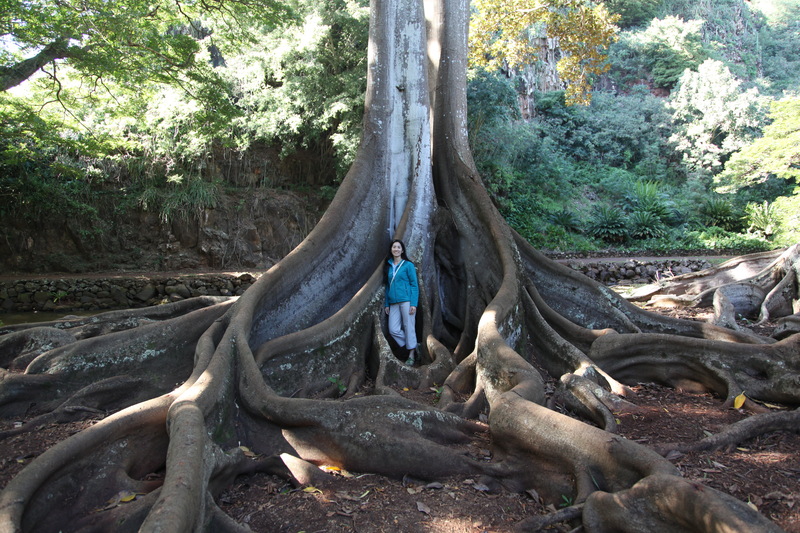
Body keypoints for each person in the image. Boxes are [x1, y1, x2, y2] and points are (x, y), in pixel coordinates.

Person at [384, 239, 419, 366]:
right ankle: (414, 345)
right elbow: (387, 286)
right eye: (394, 247)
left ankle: (411, 354)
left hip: (406, 301)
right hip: (393, 302)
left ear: (402, 250)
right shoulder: (388, 266)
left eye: (399, 247)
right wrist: (387, 304)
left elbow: (414, 285)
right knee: (393, 329)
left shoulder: (408, 265)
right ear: (391, 249)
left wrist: (414, 303)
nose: (396, 249)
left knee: (409, 326)